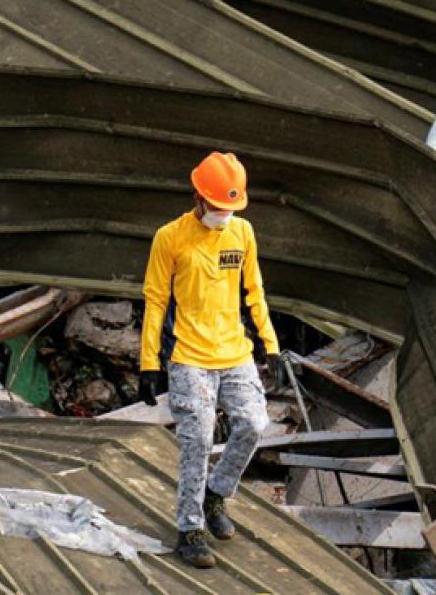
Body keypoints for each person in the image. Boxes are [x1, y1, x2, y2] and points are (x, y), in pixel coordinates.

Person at [137, 150, 279, 569]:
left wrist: (268, 342)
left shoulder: (243, 233)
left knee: (253, 424)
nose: (224, 214)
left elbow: (254, 290)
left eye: (231, 207)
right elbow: (155, 300)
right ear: (198, 197)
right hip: (190, 357)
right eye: (218, 206)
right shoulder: (170, 238)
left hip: (235, 351)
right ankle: (190, 528)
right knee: (196, 439)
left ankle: (217, 493)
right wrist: (148, 363)